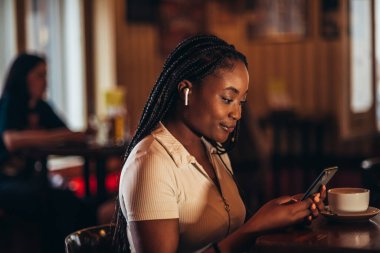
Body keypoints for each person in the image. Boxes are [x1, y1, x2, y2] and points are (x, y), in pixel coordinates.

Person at [114, 35, 326, 253]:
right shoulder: (150, 163)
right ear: (186, 91)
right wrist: (253, 228)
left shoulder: (212, 148)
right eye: (227, 99)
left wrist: (277, 218)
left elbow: (226, 234)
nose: (237, 113)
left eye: (241, 102)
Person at [0, 53, 92, 253]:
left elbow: (71, 134)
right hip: (4, 181)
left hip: (30, 180)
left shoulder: (42, 107)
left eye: (46, 75)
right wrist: (51, 135)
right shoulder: (10, 103)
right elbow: (11, 140)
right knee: (50, 201)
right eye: (39, 75)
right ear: (24, 77)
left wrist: (44, 135)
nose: (45, 82)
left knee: (70, 200)